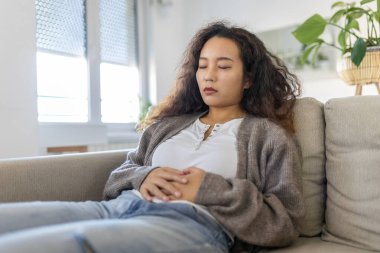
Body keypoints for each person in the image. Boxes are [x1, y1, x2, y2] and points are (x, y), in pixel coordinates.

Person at [0, 21, 304, 253]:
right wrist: (144, 176)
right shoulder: (167, 126)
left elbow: (286, 222)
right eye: (202, 66)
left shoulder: (268, 137)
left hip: (188, 225)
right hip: (116, 209)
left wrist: (211, 190)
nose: (209, 75)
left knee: (53, 245)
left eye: (223, 66)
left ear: (249, 78)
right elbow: (117, 178)